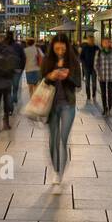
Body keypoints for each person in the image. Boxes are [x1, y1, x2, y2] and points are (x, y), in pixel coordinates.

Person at [40, 34, 82, 189]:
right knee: (53, 141)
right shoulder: (47, 60)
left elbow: (78, 84)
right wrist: (50, 76)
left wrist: (67, 76)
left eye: (62, 48)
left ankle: (59, 174)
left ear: (66, 46)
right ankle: (55, 168)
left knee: (63, 139)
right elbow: (42, 80)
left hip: (68, 105)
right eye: (56, 48)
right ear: (52, 48)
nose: (59, 50)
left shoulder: (74, 62)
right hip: (50, 105)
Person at [93, 35, 112, 116]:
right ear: (102, 43)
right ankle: (105, 108)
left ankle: (110, 108)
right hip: (102, 76)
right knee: (103, 93)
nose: (107, 44)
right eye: (105, 42)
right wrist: (98, 72)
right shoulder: (99, 52)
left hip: (111, 76)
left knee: (109, 93)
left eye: (108, 42)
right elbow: (96, 64)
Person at [79, 37, 97, 103]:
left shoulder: (96, 48)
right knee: (87, 83)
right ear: (88, 40)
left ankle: (94, 95)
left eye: (92, 40)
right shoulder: (85, 48)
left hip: (94, 68)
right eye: (90, 40)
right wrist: (84, 64)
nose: (91, 41)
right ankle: (88, 96)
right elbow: (81, 57)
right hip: (86, 68)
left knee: (94, 83)